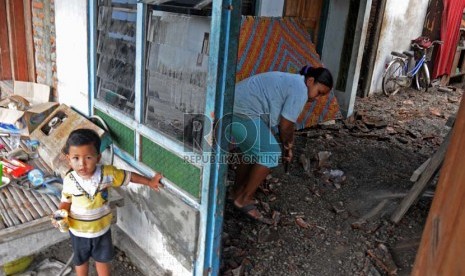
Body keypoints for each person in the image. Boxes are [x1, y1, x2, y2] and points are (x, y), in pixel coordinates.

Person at [52, 128, 163, 276]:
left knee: (103, 260)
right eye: (76, 158)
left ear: (98, 157)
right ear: (68, 158)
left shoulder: (108, 174)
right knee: (80, 260)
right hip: (78, 232)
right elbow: (66, 201)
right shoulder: (69, 180)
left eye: (88, 158)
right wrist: (60, 215)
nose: (82, 164)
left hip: (101, 230)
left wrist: (149, 182)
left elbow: (128, 176)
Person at [230, 65, 333, 224]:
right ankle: (244, 199)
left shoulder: (293, 82)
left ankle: (237, 192)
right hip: (242, 110)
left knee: (250, 152)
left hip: (231, 104)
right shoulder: (300, 89)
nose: (317, 98)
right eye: (319, 92)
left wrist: (287, 145)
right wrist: (287, 145)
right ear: (311, 81)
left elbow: (279, 125)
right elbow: (286, 124)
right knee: (271, 153)